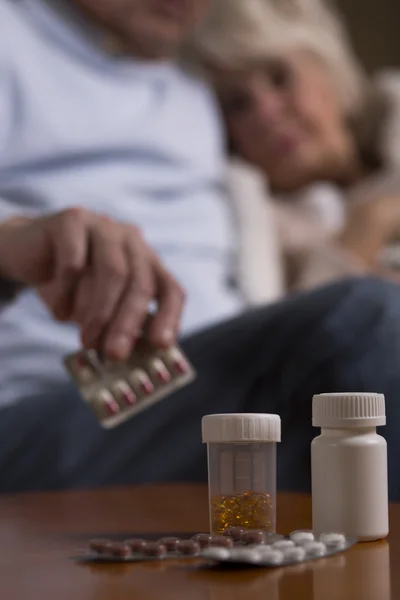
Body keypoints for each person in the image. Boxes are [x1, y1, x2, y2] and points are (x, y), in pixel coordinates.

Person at [1, 0, 400, 498]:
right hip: (46, 415)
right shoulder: (12, 34)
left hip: (207, 394)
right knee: (366, 317)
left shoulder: (191, 86)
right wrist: (10, 245)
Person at [190, 0, 400, 294]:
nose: (266, 113)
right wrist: (371, 223)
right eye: (238, 105)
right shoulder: (259, 240)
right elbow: (309, 331)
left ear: (330, 68)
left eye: (280, 78)